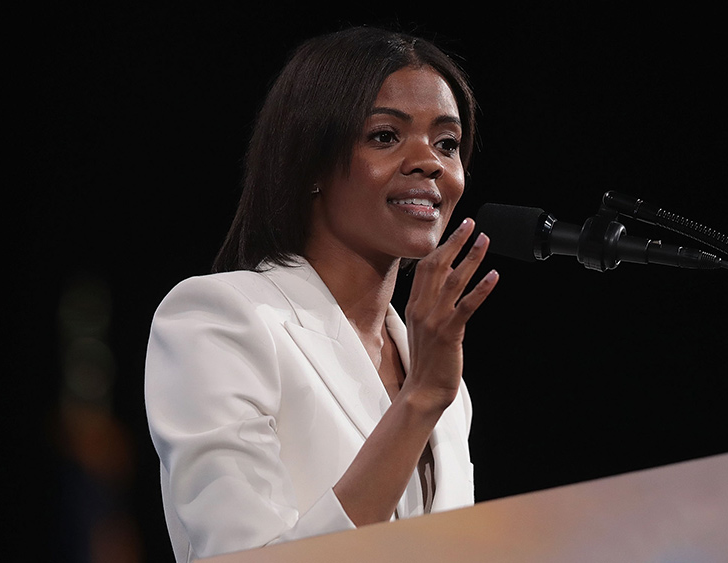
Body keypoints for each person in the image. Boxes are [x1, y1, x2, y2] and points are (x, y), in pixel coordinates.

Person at [144, 25, 498, 560]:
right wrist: (419, 401)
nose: (430, 161)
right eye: (385, 136)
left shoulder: (439, 380)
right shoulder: (220, 320)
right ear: (310, 162)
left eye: (447, 143)